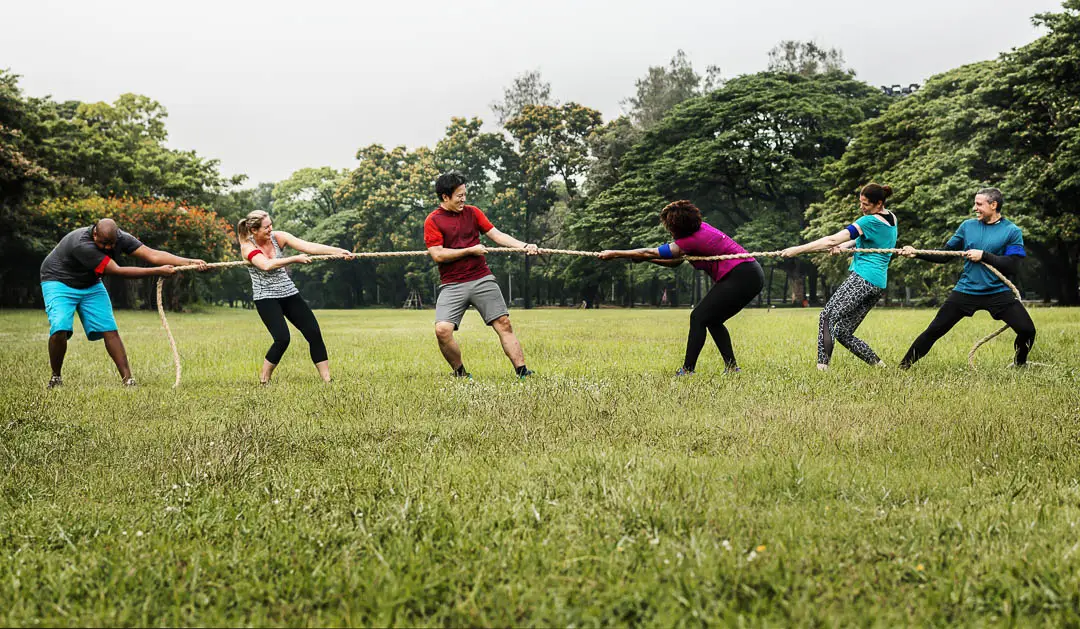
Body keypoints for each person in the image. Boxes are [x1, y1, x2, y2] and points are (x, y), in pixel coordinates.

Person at [599, 200, 764, 375]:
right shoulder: (701, 230)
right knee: (712, 320)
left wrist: (615, 254)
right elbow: (675, 262)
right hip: (749, 274)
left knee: (698, 317)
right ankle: (731, 368)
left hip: (741, 276)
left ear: (677, 227)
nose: (669, 231)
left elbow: (650, 251)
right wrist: (646, 259)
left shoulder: (693, 240)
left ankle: (687, 370)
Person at [40, 218, 205, 388]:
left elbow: (152, 254)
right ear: (94, 234)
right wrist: (158, 271)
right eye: (104, 243)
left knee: (109, 329)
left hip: (90, 283)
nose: (108, 248)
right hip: (58, 281)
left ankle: (128, 380)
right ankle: (56, 376)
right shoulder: (81, 244)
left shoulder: (120, 238)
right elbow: (117, 271)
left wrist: (190, 262)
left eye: (111, 244)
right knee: (60, 327)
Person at [898, 187, 1035, 368]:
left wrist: (984, 255)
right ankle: (903, 367)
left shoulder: (1011, 231)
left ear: (993, 205)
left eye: (979, 204)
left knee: (1027, 330)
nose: (975, 208)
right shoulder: (967, 226)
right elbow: (946, 255)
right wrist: (917, 253)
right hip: (966, 290)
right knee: (934, 330)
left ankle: (1020, 364)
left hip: (998, 292)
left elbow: (1013, 265)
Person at [424, 171, 538, 380]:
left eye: (465, 194)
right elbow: (438, 254)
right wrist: (469, 250)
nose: (463, 199)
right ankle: (460, 373)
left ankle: (523, 372)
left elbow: (497, 235)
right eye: (459, 195)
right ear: (445, 197)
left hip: (481, 278)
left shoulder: (473, 213)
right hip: (452, 284)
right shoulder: (433, 220)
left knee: (504, 323)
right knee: (442, 330)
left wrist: (524, 246)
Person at [780, 183, 898, 370]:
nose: (862, 207)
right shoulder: (891, 218)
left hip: (863, 279)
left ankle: (822, 369)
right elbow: (866, 239)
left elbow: (832, 240)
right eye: (860, 202)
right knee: (843, 332)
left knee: (827, 316)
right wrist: (845, 247)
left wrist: (798, 250)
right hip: (877, 284)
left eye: (866, 204)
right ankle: (881, 367)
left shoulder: (868, 221)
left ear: (879, 203)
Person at [236, 210, 354, 384]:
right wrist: (294, 259)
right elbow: (266, 265)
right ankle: (264, 379)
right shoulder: (247, 246)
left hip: (289, 292)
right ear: (254, 230)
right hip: (266, 297)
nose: (271, 229)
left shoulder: (278, 237)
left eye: (271, 225)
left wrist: (339, 251)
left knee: (314, 332)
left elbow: (309, 246)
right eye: (266, 227)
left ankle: (327, 380)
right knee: (282, 338)